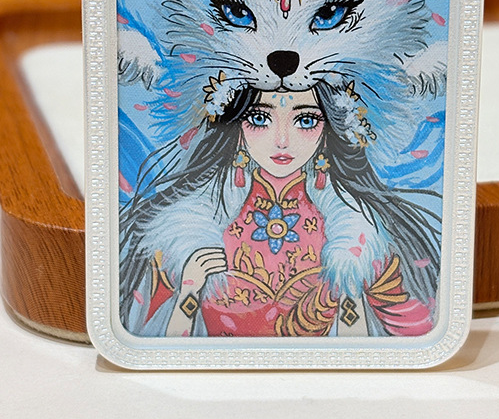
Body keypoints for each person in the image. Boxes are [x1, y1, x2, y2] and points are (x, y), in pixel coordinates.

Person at [119, 80, 441, 339]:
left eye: (306, 120)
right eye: (260, 118)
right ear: (235, 127)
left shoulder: (358, 237)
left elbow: (395, 339)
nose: (282, 141)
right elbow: (156, 342)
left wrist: (351, 290)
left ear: (327, 131)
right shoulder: (186, 233)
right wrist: (188, 291)